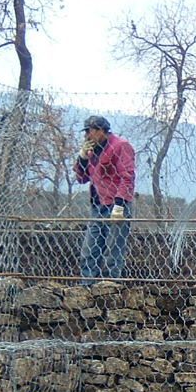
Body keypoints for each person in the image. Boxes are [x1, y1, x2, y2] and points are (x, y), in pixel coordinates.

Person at [74, 115, 136, 284]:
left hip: (115, 205)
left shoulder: (120, 146)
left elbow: (127, 176)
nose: (87, 136)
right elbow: (82, 178)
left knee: (112, 252)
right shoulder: (92, 151)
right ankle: (87, 288)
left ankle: (110, 289)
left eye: (90, 131)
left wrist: (120, 204)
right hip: (97, 206)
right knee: (89, 251)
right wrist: (82, 158)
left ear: (101, 130)